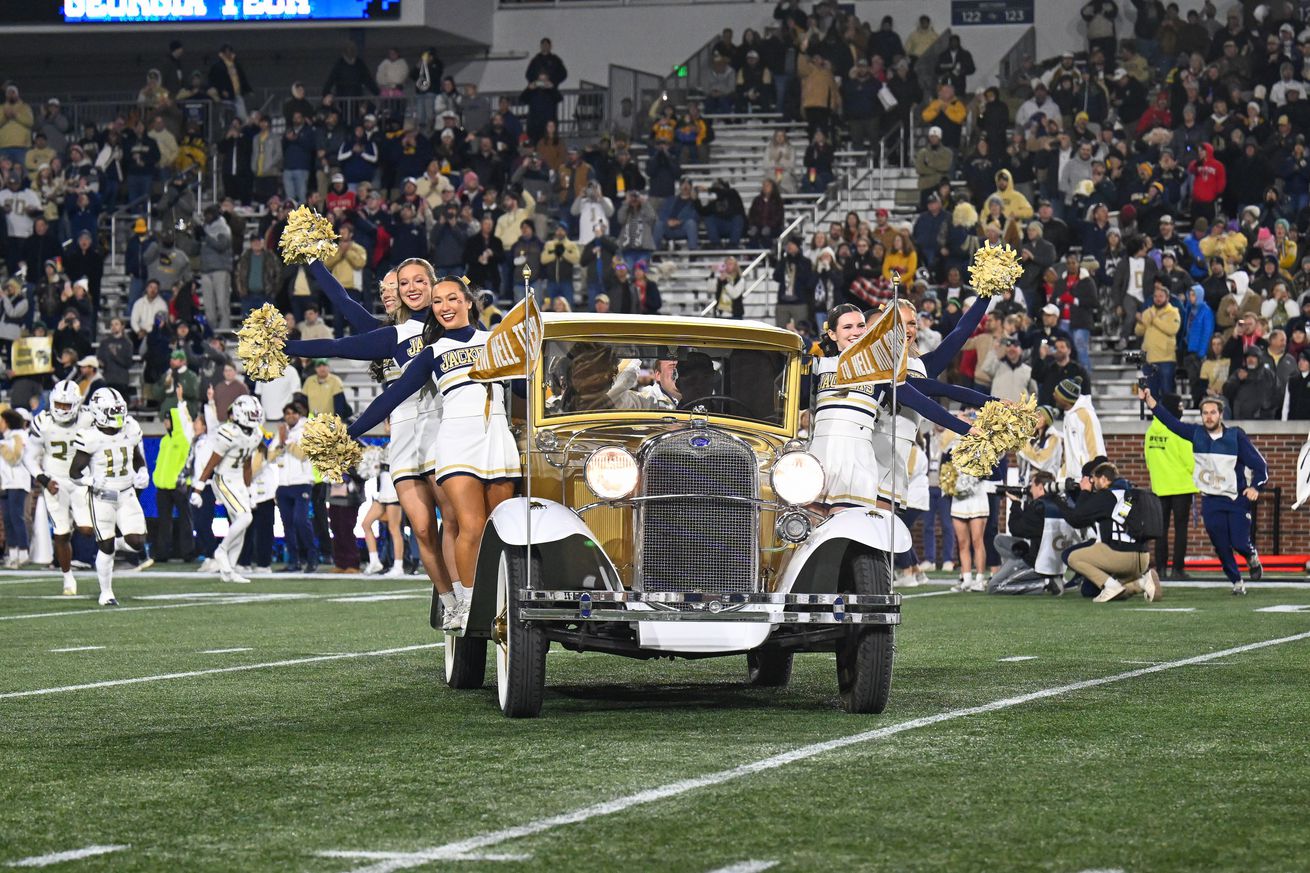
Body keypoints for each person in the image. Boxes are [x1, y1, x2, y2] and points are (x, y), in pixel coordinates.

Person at [345, 275, 522, 633]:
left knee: (501, 530)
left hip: (497, 438)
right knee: (470, 526)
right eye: (438, 301)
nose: (445, 306)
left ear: (469, 302)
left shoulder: (496, 341)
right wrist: (349, 432)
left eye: (453, 298)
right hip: (455, 443)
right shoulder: (431, 353)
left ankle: (504, 600)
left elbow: (524, 386)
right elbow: (390, 398)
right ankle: (472, 606)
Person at [1142, 390, 1267, 595]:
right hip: (1211, 501)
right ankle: (1236, 582)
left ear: (1221, 414)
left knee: (1239, 542)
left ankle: (1250, 555)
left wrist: (1256, 487)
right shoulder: (1196, 434)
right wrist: (1151, 402)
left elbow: (1260, 465)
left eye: (1212, 413)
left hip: (1236, 499)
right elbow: (1171, 423)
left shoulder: (1236, 437)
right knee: (1221, 546)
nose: (1208, 417)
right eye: (1205, 413)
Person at [69, 389, 149, 607]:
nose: (118, 415)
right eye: (112, 411)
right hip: (102, 497)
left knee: (137, 542)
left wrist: (142, 472)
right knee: (105, 547)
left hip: (126, 494)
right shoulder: (90, 436)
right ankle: (106, 593)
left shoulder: (130, 428)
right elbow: (75, 472)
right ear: (98, 412)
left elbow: (137, 459)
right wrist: (90, 481)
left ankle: (111, 544)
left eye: (119, 410)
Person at [24, 380, 93, 595]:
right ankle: (67, 578)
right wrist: (43, 479)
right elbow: (29, 456)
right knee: (61, 534)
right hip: (55, 481)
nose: (62, 409)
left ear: (77, 404)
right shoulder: (43, 422)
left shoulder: (88, 418)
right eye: (59, 404)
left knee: (87, 530)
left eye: (66, 405)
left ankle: (117, 541)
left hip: (81, 480)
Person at [1058, 461, 1161, 603]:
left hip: (1120, 556)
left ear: (1104, 479)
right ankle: (1141, 582)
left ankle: (1111, 586)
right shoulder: (1130, 492)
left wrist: (1084, 491)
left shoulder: (1107, 496)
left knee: (1072, 557)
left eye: (1095, 480)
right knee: (1091, 591)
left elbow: (1077, 518)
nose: (1094, 485)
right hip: (1142, 559)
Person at [191, 395, 263, 584]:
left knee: (240, 527)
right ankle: (221, 551)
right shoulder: (227, 432)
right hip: (223, 479)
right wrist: (199, 488)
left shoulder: (256, 433)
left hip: (238, 479)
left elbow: (247, 464)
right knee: (246, 517)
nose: (255, 417)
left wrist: (249, 489)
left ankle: (228, 571)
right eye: (251, 413)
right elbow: (211, 463)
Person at [990, 471, 1074, 595]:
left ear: (1040, 487)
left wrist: (1016, 503)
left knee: (994, 586)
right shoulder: (1061, 504)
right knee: (1000, 540)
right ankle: (1018, 572)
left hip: (1038, 562)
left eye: (1032, 485)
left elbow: (1016, 529)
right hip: (1057, 559)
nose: (1030, 489)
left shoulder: (1039, 506)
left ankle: (1045, 583)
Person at [1144, 392, 1197, 580]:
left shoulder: (1151, 431)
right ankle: (1178, 569)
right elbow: (1190, 462)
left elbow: (1148, 461)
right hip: (1181, 487)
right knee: (1180, 530)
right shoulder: (1179, 431)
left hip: (1160, 487)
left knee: (1161, 530)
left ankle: (1161, 569)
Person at [269, 400, 317, 573]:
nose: (290, 416)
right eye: (287, 413)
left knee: (301, 521)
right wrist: (282, 443)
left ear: (299, 414)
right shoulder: (281, 432)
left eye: (293, 413)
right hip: (283, 484)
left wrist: (286, 441)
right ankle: (294, 561)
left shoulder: (307, 430)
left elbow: (303, 454)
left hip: (302, 482)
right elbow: (270, 457)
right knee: (287, 524)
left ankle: (312, 558)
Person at [151, 385, 194, 565]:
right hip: (163, 486)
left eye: (168, 420)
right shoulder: (164, 440)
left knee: (185, 520)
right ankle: (162, 552)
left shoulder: (184, 437)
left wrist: (180, 401)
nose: (165, 422)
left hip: (180, 484)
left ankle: (188, 552)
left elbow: (185, 421)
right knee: (164, 521)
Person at [1054, 376, 1105, 481]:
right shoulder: (1069, 415)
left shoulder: (1086, 415)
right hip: (1071, 481)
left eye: (1057, 394)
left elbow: (1097, 451)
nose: (1054, 395)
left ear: (1065, 398)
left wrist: (1090, 477)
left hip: (1085, 480)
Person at [1135, 284, 1181, 395]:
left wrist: (1154, 319)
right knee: (1151, 393)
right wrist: (1141, 322)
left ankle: (1169, 413)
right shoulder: (1148, 312)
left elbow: (1172, 329)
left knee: (1167, 391)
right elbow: (1138, 332)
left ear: (1167, 298)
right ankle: (1155, 413)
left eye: (1161, 296)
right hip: (1149, 359)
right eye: (1156, 296)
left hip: (1166, 359)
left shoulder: (1173, 312)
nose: (1158, 299)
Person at [0, 410, 31, 568]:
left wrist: (2, 447)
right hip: (6, 483)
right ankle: (12, 554)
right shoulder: (7, 438)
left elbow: (15, 458)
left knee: (16, 517)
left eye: (2, 421)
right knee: (8, 519)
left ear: (8, 421)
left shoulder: (19, 436)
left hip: (18, 482)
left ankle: (23, 552)